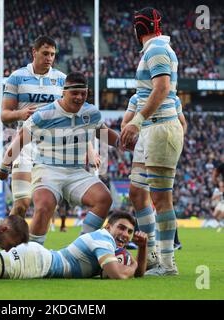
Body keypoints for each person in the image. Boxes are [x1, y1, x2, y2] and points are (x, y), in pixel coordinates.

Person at [0, 72, 120, 246]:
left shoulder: (91, 113)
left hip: (76, 171)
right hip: (47, 169)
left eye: (83, 94)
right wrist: (3, 167)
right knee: (45, 205)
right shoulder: (44, 114)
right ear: (64, 92)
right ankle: (32, 254)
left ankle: (81, 248)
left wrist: (127, 143)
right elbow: (19, 141)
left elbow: (106, 135)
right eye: (74, 93)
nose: (79, 97)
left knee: (104, 198)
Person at [120, 7, 184, 276]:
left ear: (138, 29)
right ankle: (154, 254)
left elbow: (162, 89)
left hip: (159, 128)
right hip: (151, 130)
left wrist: (137, 120)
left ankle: (167, 263)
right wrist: (131, 120)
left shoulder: (157, 50)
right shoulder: (152, 50)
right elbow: (145, 92)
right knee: (137, 193)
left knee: (161, 199)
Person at [0, 212, 148, 280]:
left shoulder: (107, 242)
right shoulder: (103, 239)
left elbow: (137, 274)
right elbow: (116, 274)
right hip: (37, 262)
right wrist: (132, 266)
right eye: (121, 228)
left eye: (129, 232)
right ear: (108, 226)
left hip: (40, 261)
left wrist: (142, 248)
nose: (125, 234)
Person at [1, 35, 66, 218]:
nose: (49, 58)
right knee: (21, 204)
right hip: (25, 144)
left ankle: (36, 246)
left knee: (46, 205)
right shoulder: (17, 77)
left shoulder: (62, 80)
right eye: (45, 53)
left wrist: (90, 148)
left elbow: (75, 116)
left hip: (54, 148)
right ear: (34, 52)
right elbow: (4, 116)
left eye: (53, 54)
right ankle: (8, 244)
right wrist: (20, 114)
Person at [121, 94, 186, 255]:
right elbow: (125, 122)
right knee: (136, 194)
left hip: (163, 141)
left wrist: (177, 142)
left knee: (160, 198)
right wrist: (129, 137)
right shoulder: (136, 98)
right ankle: (150, 252)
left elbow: (182, 123)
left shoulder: (172, 98)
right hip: (143, 144)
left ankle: (166, 256)